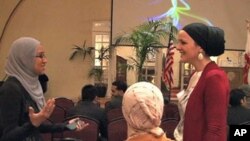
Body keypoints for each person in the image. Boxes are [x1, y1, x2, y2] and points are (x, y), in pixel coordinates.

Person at [0, 37, 88, 141]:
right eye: (40, 56)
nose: (45, 60)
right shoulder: (11, 89)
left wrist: (66, 126)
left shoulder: (30, 85)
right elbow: (7, 136)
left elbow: (36, 126)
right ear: (25, 59)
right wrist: (33, 124)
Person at [174, 23, 230, 141]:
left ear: (200, 47)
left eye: (183, 43)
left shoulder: (214, 77)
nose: (177, 47)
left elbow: (215, 129)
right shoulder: (194, 75)